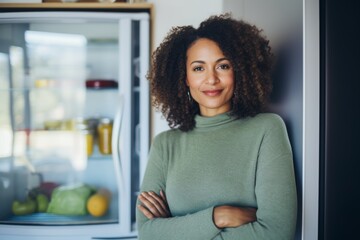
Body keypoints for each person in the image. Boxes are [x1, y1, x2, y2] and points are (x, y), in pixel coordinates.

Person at [136, 14, 297, 240]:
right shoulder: (165, 144)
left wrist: (173, 229)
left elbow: (277, 233)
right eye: (198, 68)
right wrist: (219, 216)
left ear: (239, 71)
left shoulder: (267, 129)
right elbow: (146, 233)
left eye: (222, 66)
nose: (211, 79)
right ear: (185, 78)